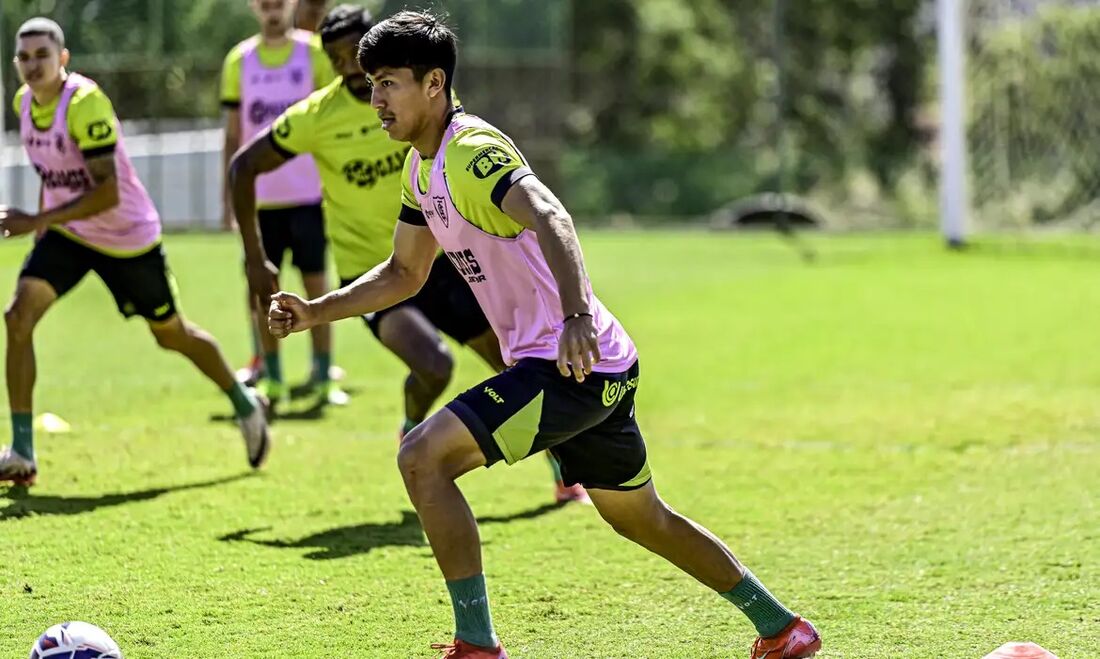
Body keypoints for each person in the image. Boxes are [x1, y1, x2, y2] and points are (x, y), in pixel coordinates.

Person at [267, 10, 823, 659]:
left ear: (434, 84)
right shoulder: (422, 170)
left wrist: (576, 315)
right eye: (371, 83)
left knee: (423, 456)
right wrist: (314, 311)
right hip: (597, 366)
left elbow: (552, 213)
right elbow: (403, 272)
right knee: (642, 518)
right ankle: (783, 627)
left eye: (388, 82)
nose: (376, 99)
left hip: (567, 361)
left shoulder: (473, 153)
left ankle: (476, 643)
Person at [232, 5, 588, 504]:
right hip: (373, 274)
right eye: (340, 60)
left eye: (374, 69)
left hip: (447, 265)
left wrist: (576, 310)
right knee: (434, 365)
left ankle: (563, 466)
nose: (355, 74)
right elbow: (243, 166)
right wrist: (255, 254)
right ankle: (413, 428)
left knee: (516, 366)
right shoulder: (316, 117)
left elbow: (546, 213)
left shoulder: (434, 118)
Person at [0, 18, 269, 486]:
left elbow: (108, 195)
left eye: (42, 55)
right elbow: (54, 174)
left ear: (62, 59)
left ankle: (246, 404)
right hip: (70, 233)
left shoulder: (85, 105)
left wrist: (36, 221)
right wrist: (46, 228)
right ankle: (22, 451)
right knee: (18, 317)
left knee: (171, 334)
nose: (32, 65)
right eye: (23, 57)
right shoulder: (24, 103)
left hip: (127, 238)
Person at [221, 0, 346, 409]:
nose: (272, 11)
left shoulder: (313, 52)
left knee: (316, 287)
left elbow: (334, 118)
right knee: (262, 289)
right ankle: (272, 379)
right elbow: (234, 134)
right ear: (253, 8)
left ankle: (323, 374)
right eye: (264, 4)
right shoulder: (240, 60)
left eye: (279, 3)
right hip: (260, 201)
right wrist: (229, 199)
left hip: (309, 196)